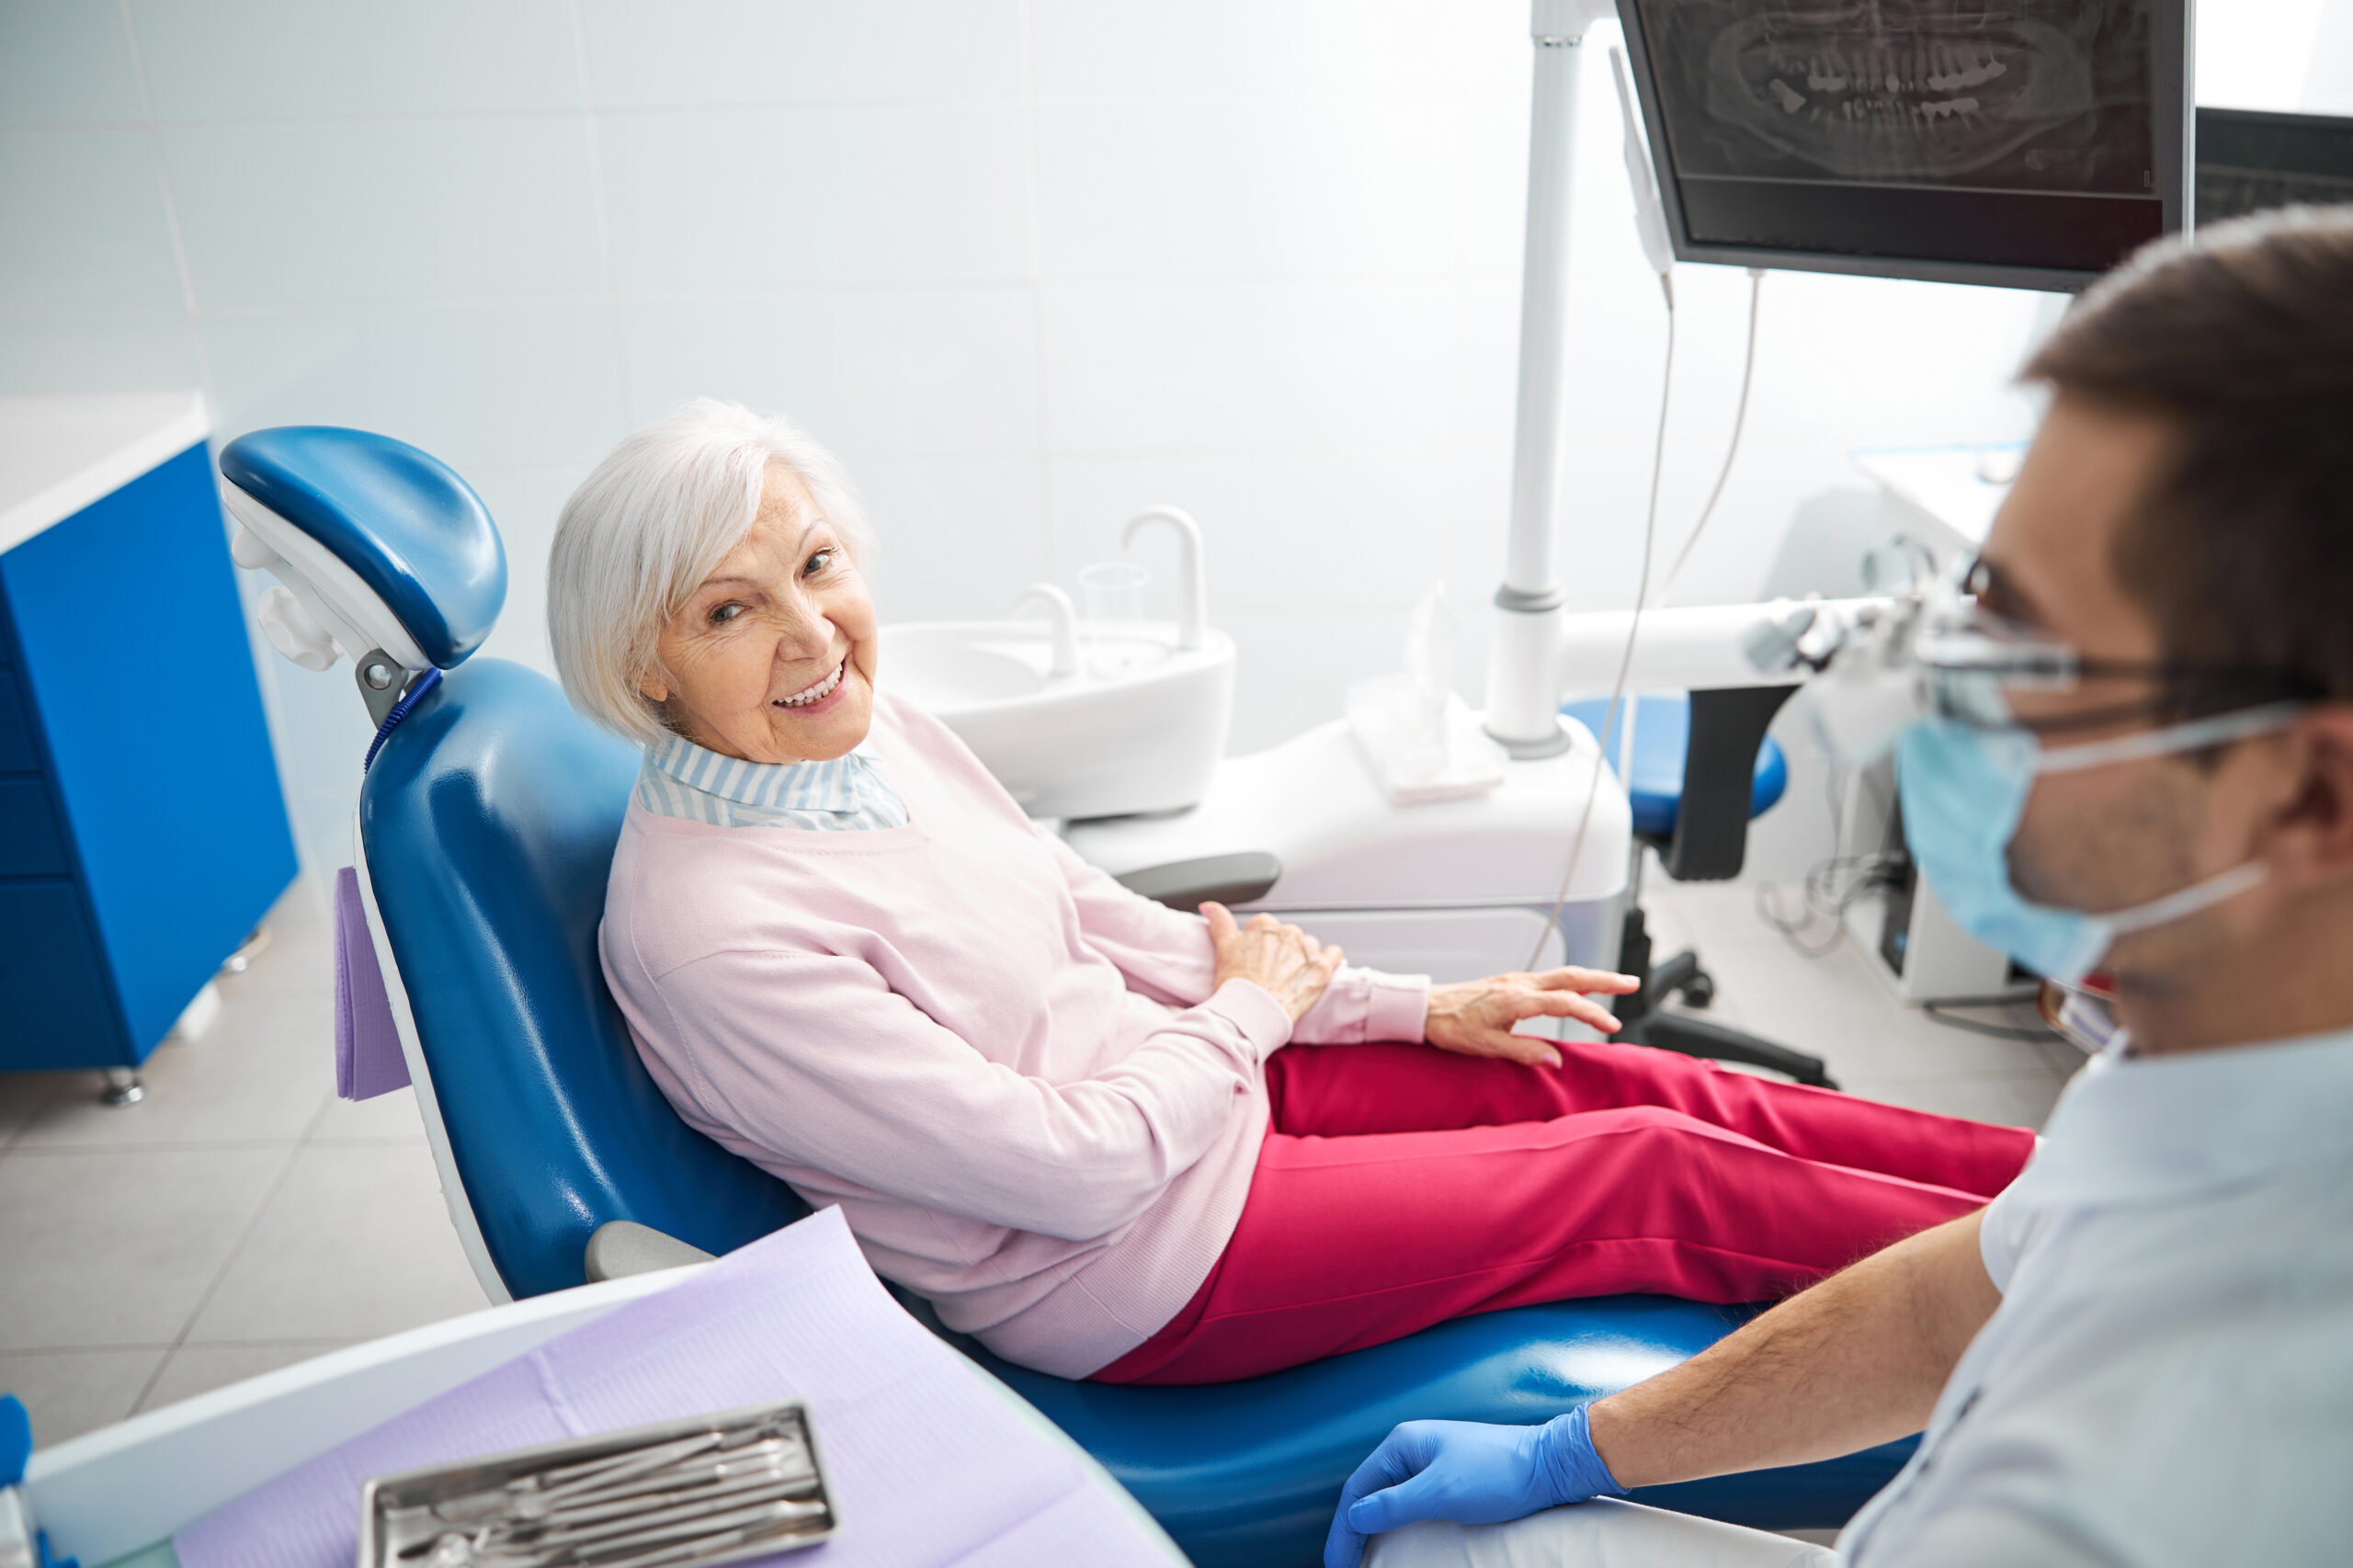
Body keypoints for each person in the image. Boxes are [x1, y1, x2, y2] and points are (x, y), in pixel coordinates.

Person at [545, 397, 2033, 1385]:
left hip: (1213, 1099)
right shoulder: (713, 936)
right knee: (1641, 1168)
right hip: (1131, 1265)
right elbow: (1071, 1173)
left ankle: (2070, 1178)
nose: (814, 634)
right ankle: (2077, 1281)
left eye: (819, 566)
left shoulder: (870, 727)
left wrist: (1412, 1007)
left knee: (1624, 1079)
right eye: (734, 609)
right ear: (643, 668)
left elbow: (1086, 914)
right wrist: (1256, 1013)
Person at [1325, 206, 2353, 1567]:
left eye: (2028, 654)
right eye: (1976, 599)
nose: (1937, 698)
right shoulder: (2224, 1032)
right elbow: (1954, 1303)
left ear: (2308, 794)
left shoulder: (2177, 1465)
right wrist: (1576, 1448)